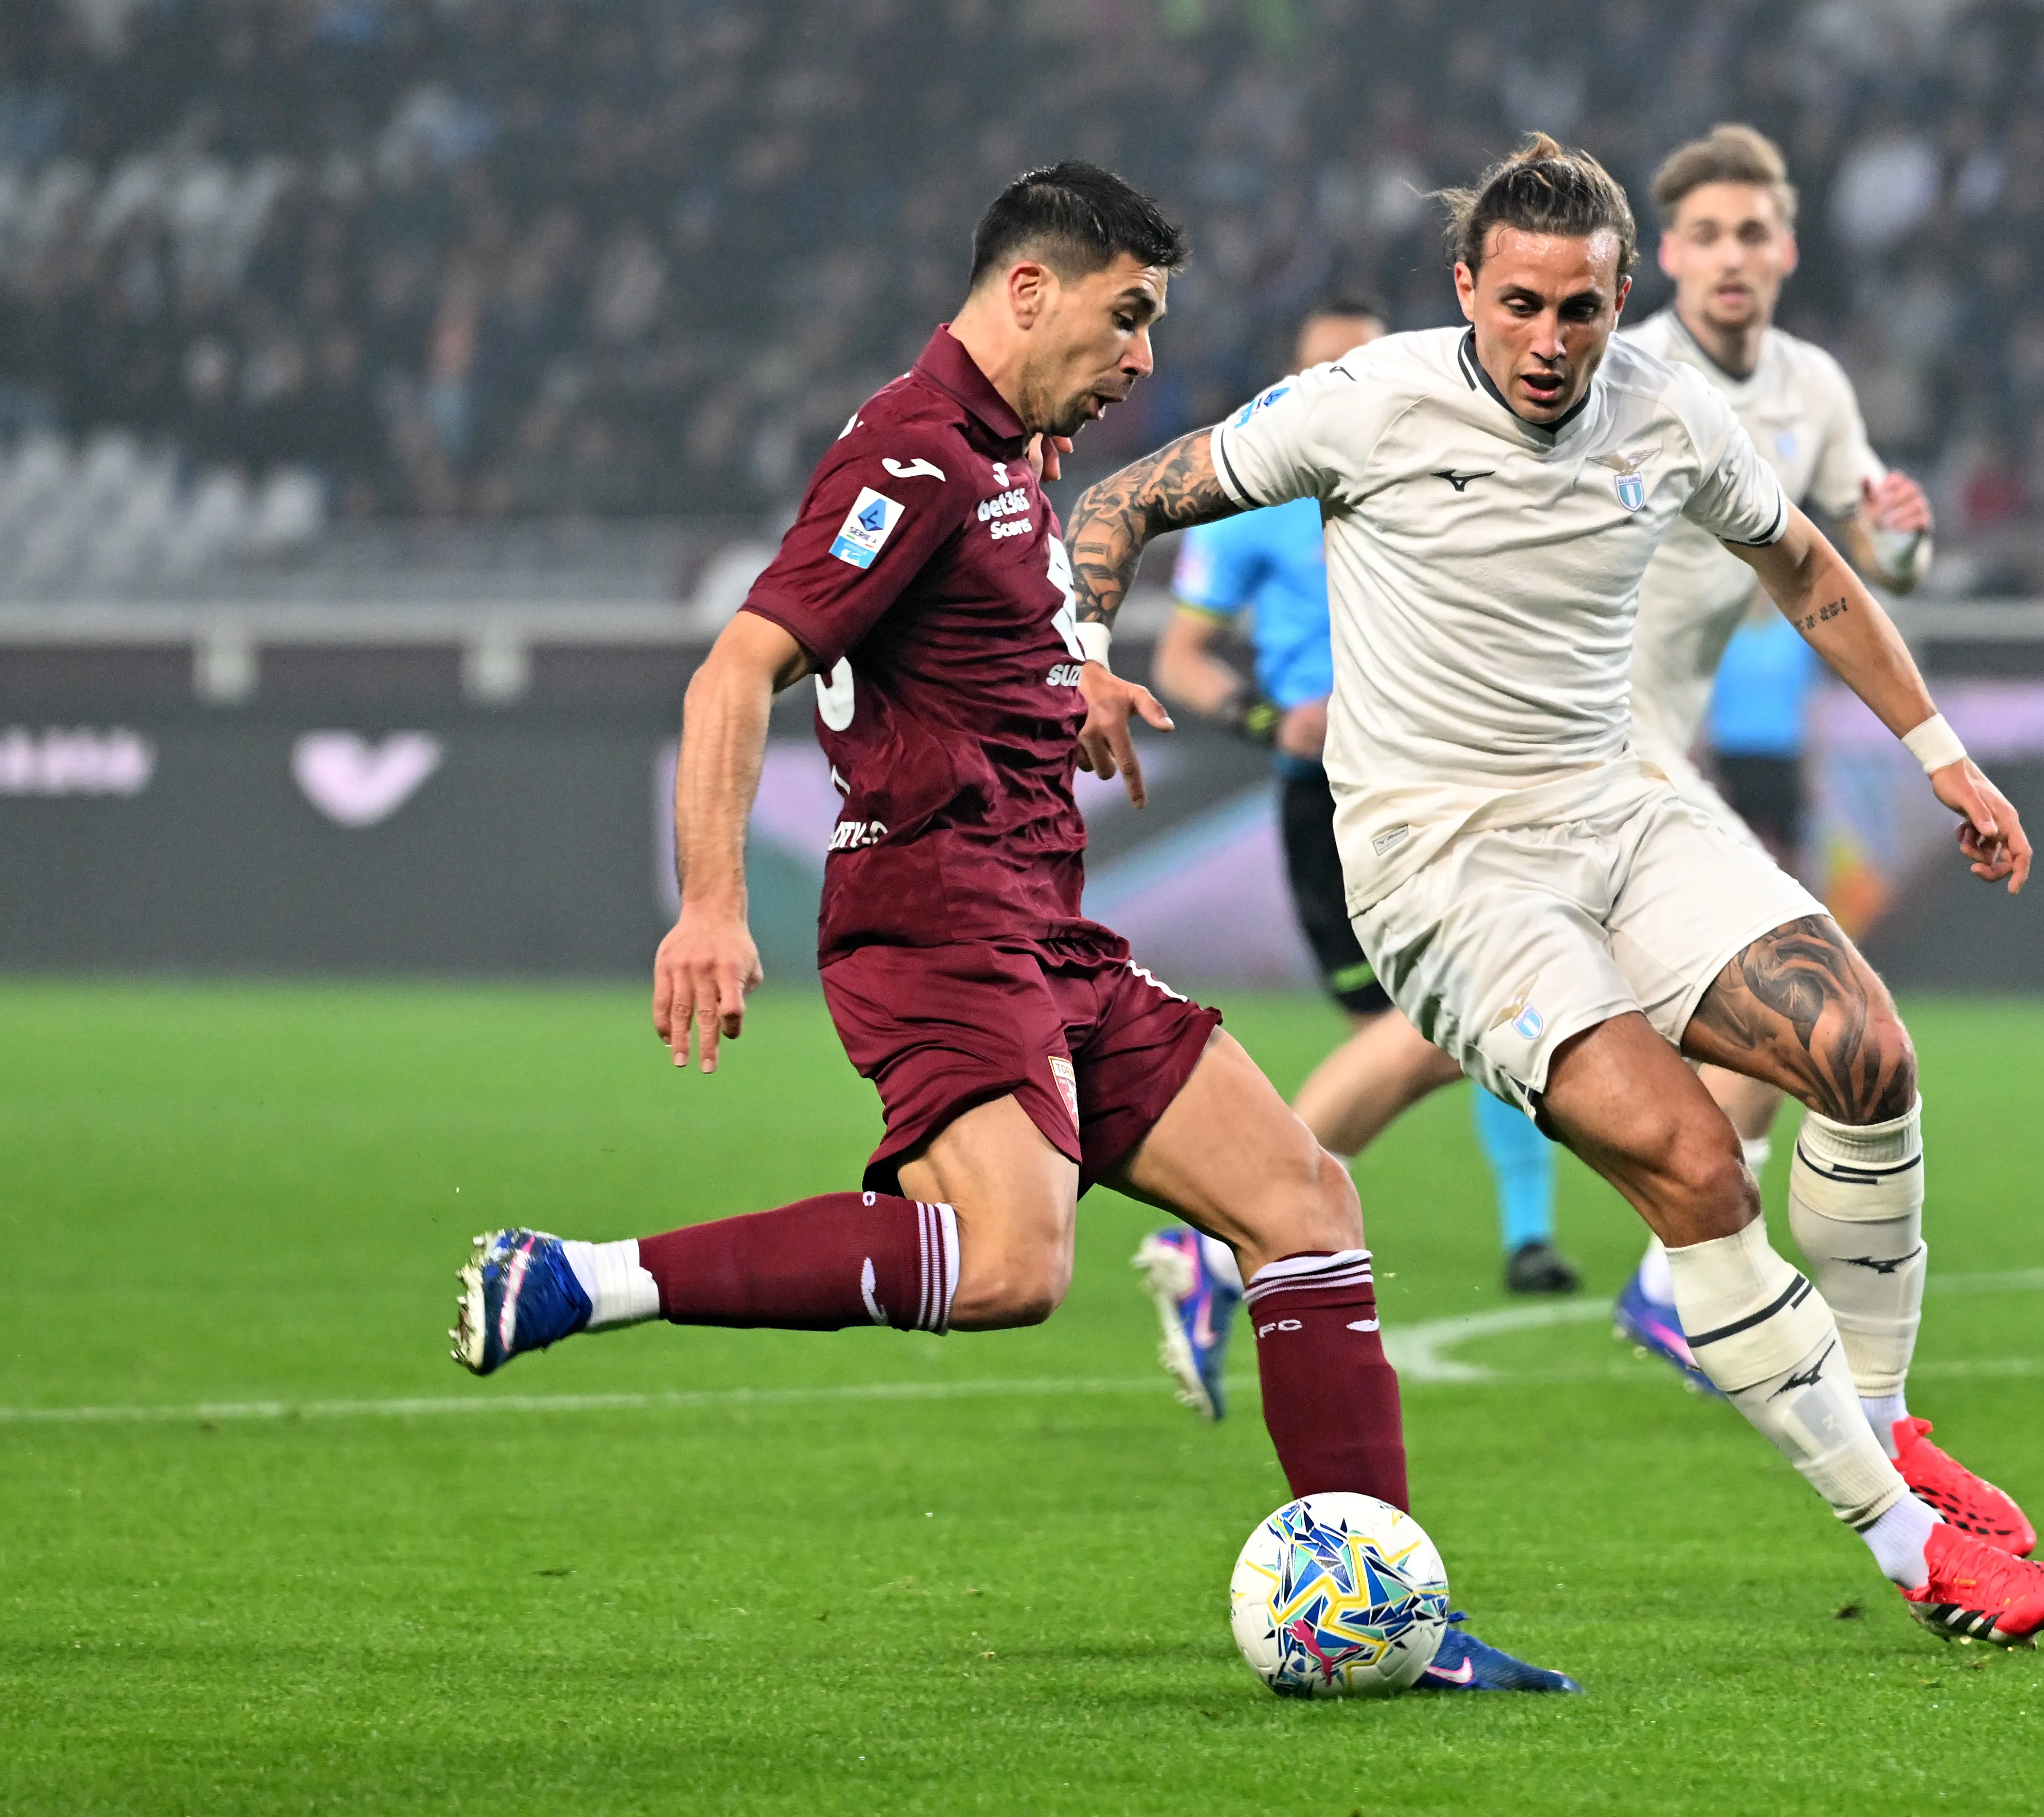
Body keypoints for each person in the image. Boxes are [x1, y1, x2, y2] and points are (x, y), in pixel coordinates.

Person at [445, 162, 1572, 1693]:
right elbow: (734, 672)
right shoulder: (910, 459)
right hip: (934, 921)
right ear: (1029, 291)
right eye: (1128, 318)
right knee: (1007, 1265)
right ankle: (579, 1273)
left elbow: (966, 640)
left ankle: (1390, 1610)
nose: (1144, 360)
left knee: (1303, 1202)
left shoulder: (1005, 457)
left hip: (1042, 924)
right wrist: (711, 900)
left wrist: (1071, 687)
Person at [1064, 137, 2044, 1646]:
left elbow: (1806, 566)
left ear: (1620, 305)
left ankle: (1886, 1416)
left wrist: (1942, 756)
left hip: (1622, 809)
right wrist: (1080, 648)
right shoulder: (1367, 402)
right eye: (1522, 305)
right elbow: (1129, 493)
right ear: (1467, 287)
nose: (1549, 344)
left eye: (1583, 313)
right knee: (1692, 1162)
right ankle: (1908, 1543)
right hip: (1444, 867)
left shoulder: (1668, 411)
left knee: (1868, 1060)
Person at [1133, 297, 1579, 1421]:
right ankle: (1228, 1232)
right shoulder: (1248, 507)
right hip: (1327, 803)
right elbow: (1182, 658)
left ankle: (1524, 1242)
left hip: (1444, 787)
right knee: (1452, 1021)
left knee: (1482, 1015)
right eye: (1323, 365)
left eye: (1361, 363)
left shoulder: (1440, 467)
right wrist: (1261, 719)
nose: (1346, 385)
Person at [1607, 126, 1957, 1462]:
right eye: (1705, 234)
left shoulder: (1813, 384)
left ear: (1786, 250)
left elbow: (1870, 552)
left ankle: (1679, 1262)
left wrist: (1908, 541)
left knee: (1778, 994)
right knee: (1463, 1023)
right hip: (1582, 746)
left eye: (1754, 233)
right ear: (1670, 257)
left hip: (1674, 746)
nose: (1732, 256)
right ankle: (1233, 1224)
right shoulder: (1623, 371)